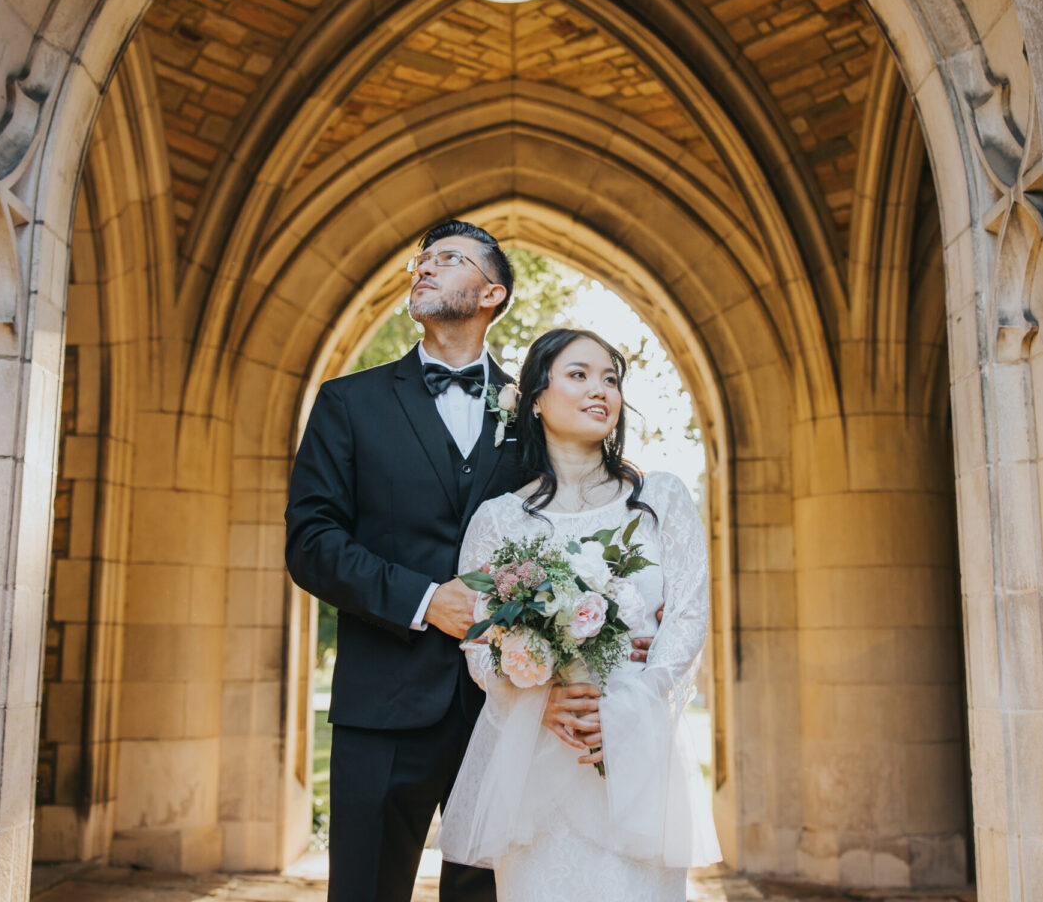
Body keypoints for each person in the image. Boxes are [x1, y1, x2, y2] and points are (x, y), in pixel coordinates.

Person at [285, 223, 656, 902]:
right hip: (381, 707)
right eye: (421, 261)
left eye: (448, 260)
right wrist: (426, 601)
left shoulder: (538, 411)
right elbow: (311, 543)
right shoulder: (349, 403)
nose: (424, 269)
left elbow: (582, 525)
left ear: (493, 293)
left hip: (508, 713)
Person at [439, 328, 721, 902]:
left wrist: (634, 703)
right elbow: (477, 643)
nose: (601, 390)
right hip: (536, 757)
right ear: (535, 398)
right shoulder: (498, 520)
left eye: (611, 379)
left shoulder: (660, 499)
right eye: (579, 374)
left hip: (636, 752)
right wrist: (539, 698)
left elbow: (689, 614)